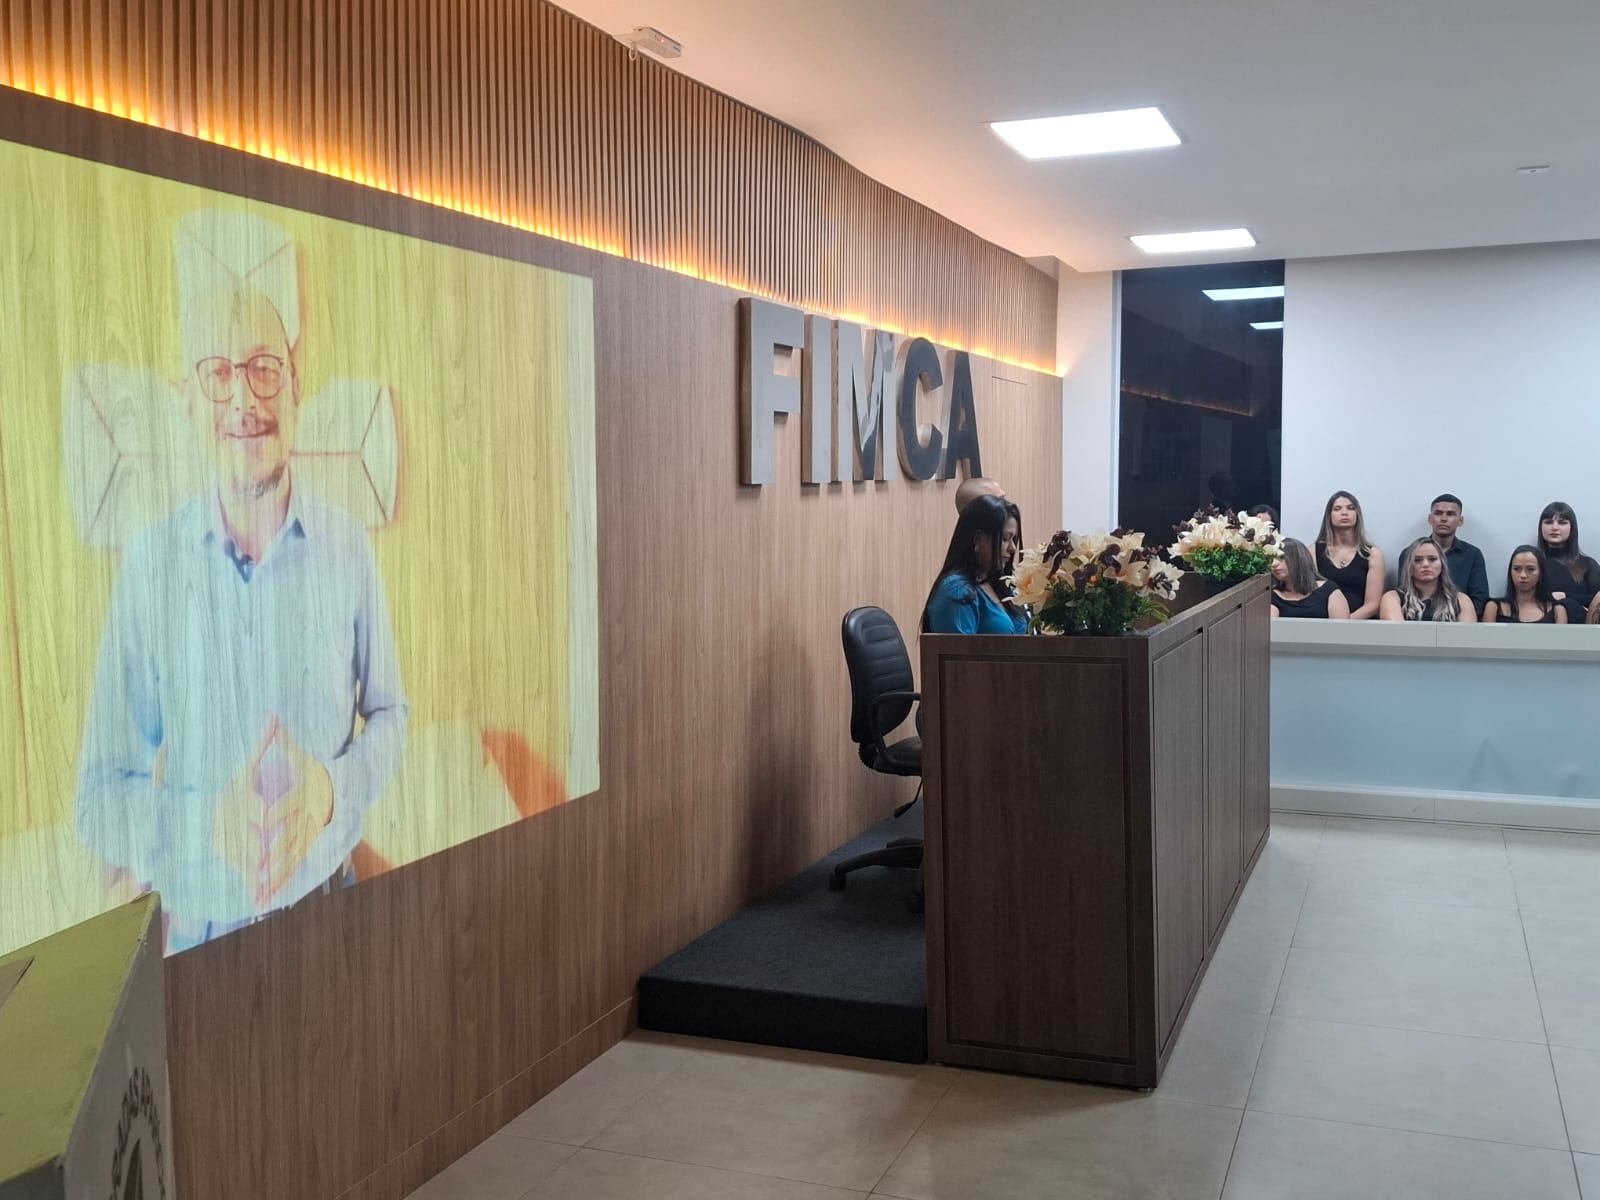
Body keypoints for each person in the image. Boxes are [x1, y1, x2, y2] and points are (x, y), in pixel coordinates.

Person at [75, 211, 409, 952]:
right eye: (217, 373)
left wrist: (333, 791)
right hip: (201, 941)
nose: (244, 400)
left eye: (264, 368)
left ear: (295, 388)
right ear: (188, 401)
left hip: (334, 913)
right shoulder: (150, 568)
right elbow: (99, 797)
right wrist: (203, 827)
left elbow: (392, 713)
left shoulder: (348, 548)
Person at [922, 494, 1027, 634]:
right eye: (1005, 539)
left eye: (1014, 539)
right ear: (977, 539)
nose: (1012, 548)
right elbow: (958, 648)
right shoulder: (957, 590)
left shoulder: (999, 584)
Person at [1314, 491, 1386, 619]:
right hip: (1322, 621)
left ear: (1357, 514)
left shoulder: (1373, 554)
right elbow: (1309, 595)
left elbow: (1372, 605)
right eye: (1337, 509)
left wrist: (1344, 623)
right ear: (1329, 516)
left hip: (1359, 623)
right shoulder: (1313, 551)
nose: (1344, 512)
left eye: (1350, 508)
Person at [1379, 537, 1477, 622]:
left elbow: (1466, 636)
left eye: (1432, 559)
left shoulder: (1461, 600)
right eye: (1417, 560)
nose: (1425, 564)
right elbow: (1398, 634)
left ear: (1442, 564)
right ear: (1409, 566)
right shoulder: (1392, 598)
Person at [1424, 494, 1489, 617]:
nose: (1444, 519)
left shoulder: (1472, 555)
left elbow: (1480, 600)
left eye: (1450, 514)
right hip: (1419, 621)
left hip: (1460, 622)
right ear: (1430, 519)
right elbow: (1406, 595)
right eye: (1438, 513)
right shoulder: (1411, 554)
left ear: (1460, 521)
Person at [1536, 501, 1600, 620]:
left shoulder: (1588, 565)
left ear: (1572, 527)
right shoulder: (1533, 565)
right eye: (1548, 522)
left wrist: (1566, 596)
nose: (1555, 528)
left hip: (1581, 627)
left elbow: (1597, 600)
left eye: (1562, 522)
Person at [1485, 546, 1567, 624]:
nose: (1523, 575)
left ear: (1541, 573)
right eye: (1516, 569)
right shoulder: (1493, 608)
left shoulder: (1557, 610)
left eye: (1530, 569)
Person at [1270, 538, 1350, 619]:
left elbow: (1341, 626)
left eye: (1281, 557)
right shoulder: (1272, 596)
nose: (1274, 564)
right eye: (1271, 560)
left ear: (1297, 559)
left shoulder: (1328, 590)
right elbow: (1270, 624)